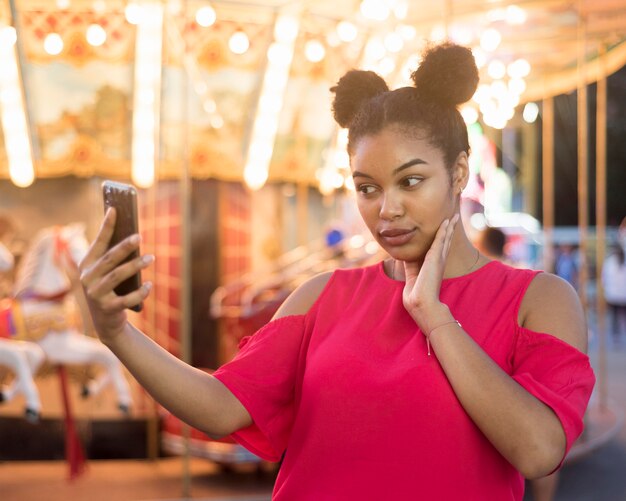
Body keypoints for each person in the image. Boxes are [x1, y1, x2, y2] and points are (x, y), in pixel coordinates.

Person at [78, 42, 595, 500]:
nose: (385, 209)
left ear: (459, 172)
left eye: (410, 182)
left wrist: (434, 315)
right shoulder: (322, 296)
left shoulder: (537, 298)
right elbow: (222, 407)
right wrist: (116, 332)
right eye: (367, 188)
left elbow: (538, 449)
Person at [602, 244, 626, 344]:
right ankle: (618, 334)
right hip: (619, 293)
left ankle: (616, 334)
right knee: (619, 315)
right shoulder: (611, 262)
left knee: (616, 316)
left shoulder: (609, 262)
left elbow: (604, 278)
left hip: (615, 294)